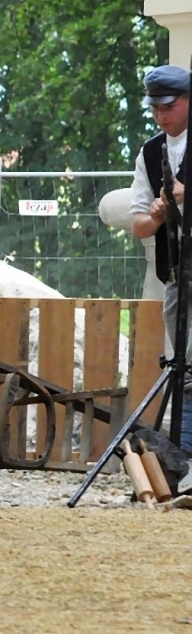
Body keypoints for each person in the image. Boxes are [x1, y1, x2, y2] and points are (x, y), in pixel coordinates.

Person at [127, 64, 192, 446]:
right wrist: (155, 215)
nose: (160, 115)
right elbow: (138, 225)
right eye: (155, 109)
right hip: (178, 275)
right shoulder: (151, 152)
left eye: (168, 107)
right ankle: (185, 457)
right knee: (184, 367)